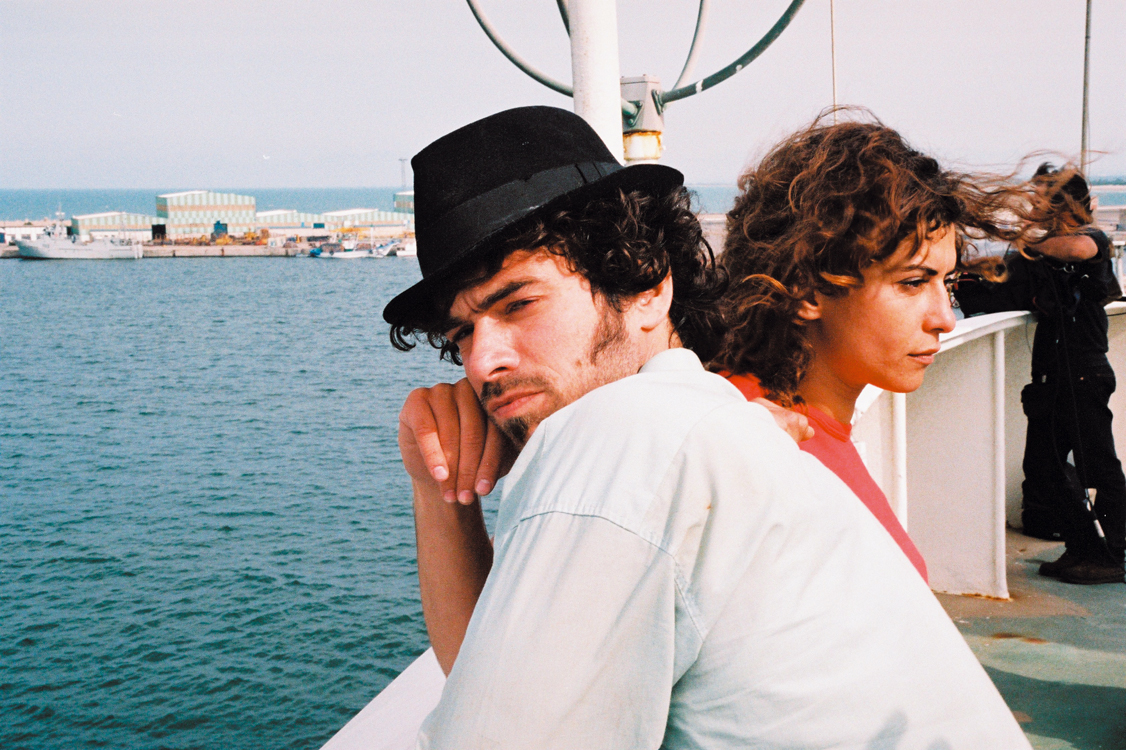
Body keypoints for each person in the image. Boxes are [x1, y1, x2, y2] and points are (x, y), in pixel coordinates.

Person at [387, 105, 1032, 748]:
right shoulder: (702, 424)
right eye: (462, 333)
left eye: (519, 304)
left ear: (645, 286)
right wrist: (439, 483)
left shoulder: (629, 431)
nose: (482, 361)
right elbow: (501, 677)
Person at [714, 117, 1035, 583]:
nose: (945, 318)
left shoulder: (776, 425)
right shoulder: (755, 450)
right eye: (913, 283)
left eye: (946, 284)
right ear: (806, 290)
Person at [956, 164, 1125, 585]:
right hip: (1053, 378)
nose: (1030, 208)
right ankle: (1082, 547)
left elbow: (1079, 249)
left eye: (1037, 200)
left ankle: (1113, 555)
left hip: (1084, 372)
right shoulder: (1043, 253)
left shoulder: (1091, 239)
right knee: (1044, 471)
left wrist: (1025, 242)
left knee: (1099, 467)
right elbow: (1003, 286)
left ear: (1061, 205)